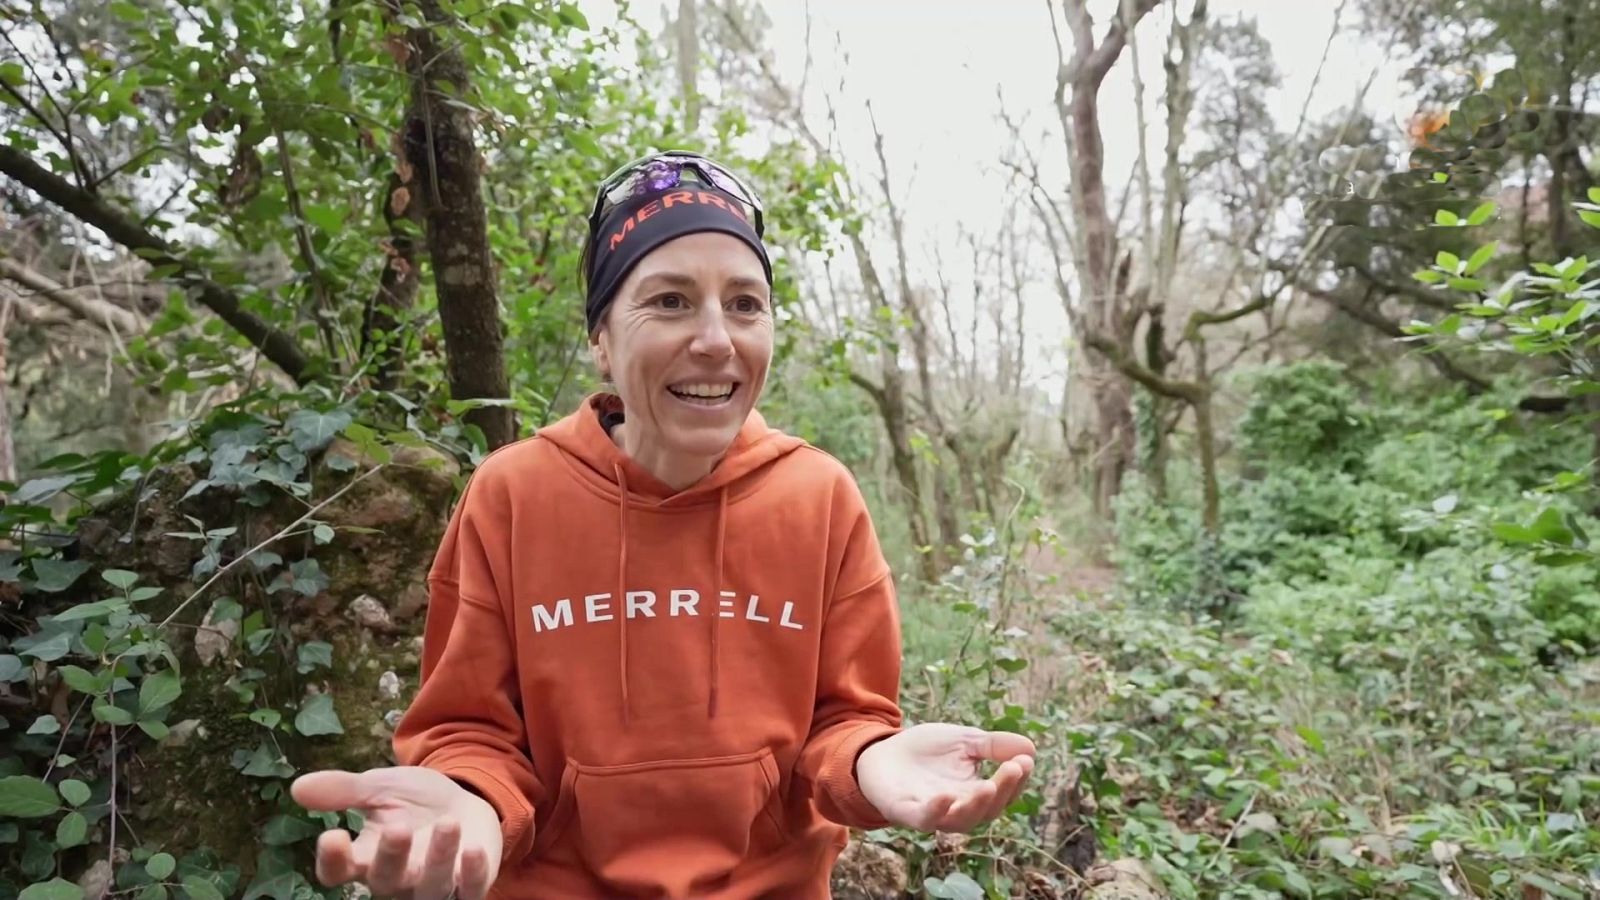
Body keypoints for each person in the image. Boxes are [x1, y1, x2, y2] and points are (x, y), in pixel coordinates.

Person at [290, 150, 1037, 899]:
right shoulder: (512, 495)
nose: (716, 340)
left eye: (745, 304)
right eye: (671, 301)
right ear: (602, 339)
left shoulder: (819, 497)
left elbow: (844, 721)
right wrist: (472, 807)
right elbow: (467, 728)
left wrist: (875, 759)